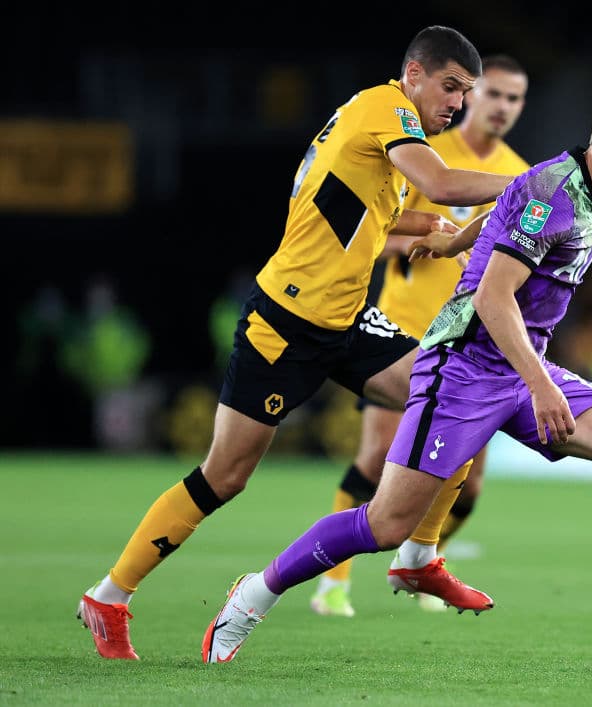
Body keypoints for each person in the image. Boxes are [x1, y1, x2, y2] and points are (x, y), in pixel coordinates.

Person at [200, 77, 592, 664]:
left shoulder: (581, 191)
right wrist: (541, 385)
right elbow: (492, 296)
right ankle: (252, 595)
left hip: (515, 369)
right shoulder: (552, 192)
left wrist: (455, 241)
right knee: (384, 524)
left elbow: (508, 214)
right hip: (461, 370)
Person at [77, 24, 520, 661]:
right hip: (285, 322)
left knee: (458, 391)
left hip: (346, 320)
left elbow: (373, 211)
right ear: (414, 74)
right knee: (224, 477)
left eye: (466, 92)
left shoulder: (380, 129)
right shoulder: (386, 108)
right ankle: (109, 596)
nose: (458, 103)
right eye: (451, 87)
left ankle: (418, 556)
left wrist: (440, 231)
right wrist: (530, 183)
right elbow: (444, 182)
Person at [309, 54, 531, 618]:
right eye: (494, 94)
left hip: (469, 338)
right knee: (377, 459)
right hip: (403, 327)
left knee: (469, 486)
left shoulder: (520, 171)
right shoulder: (424, 149)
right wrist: (432, 241)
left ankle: (418, 562)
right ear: (471, 96)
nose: (503, 107)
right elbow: (375, 225)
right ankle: (332, 582)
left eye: (514, 98)